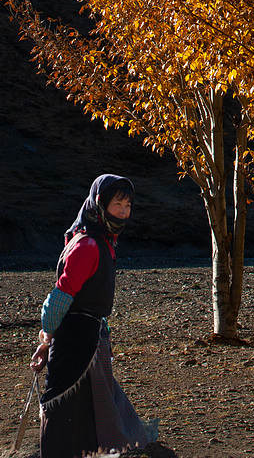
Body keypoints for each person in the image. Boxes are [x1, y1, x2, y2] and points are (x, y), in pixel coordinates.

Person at [30, 173, 159, 458]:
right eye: (118, 204)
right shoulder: (87, 245)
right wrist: (46, 339)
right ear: (99, 204)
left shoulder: (102, 243)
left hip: (89, 337)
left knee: (88, 405)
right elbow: (60, 297)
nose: (124, 212)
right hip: (73, 342)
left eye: (128, 206)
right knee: (63, 404)